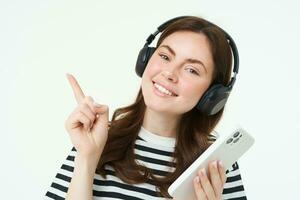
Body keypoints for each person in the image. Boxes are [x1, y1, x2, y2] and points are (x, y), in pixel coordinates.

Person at [45, 16, 247, 200]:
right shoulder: (96, 140)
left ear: (213, 94)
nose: (169, 73)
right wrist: (86, 159)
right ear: (145, 59)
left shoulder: (214, 164)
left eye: (191, 70)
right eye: (165, 57)